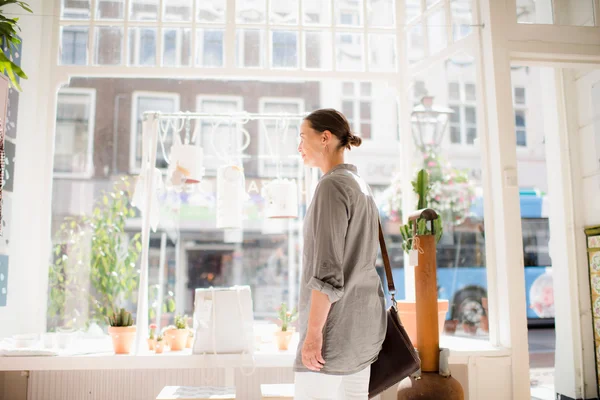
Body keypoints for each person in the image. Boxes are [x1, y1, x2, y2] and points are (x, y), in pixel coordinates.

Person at [294, 108, 387, 399]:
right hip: (363, 334)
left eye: (302, 137)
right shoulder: (361, 187)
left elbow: (326, 273)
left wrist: (312, 336)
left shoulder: (331, 187)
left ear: (325, 138)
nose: (298, 147)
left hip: (332, 338)